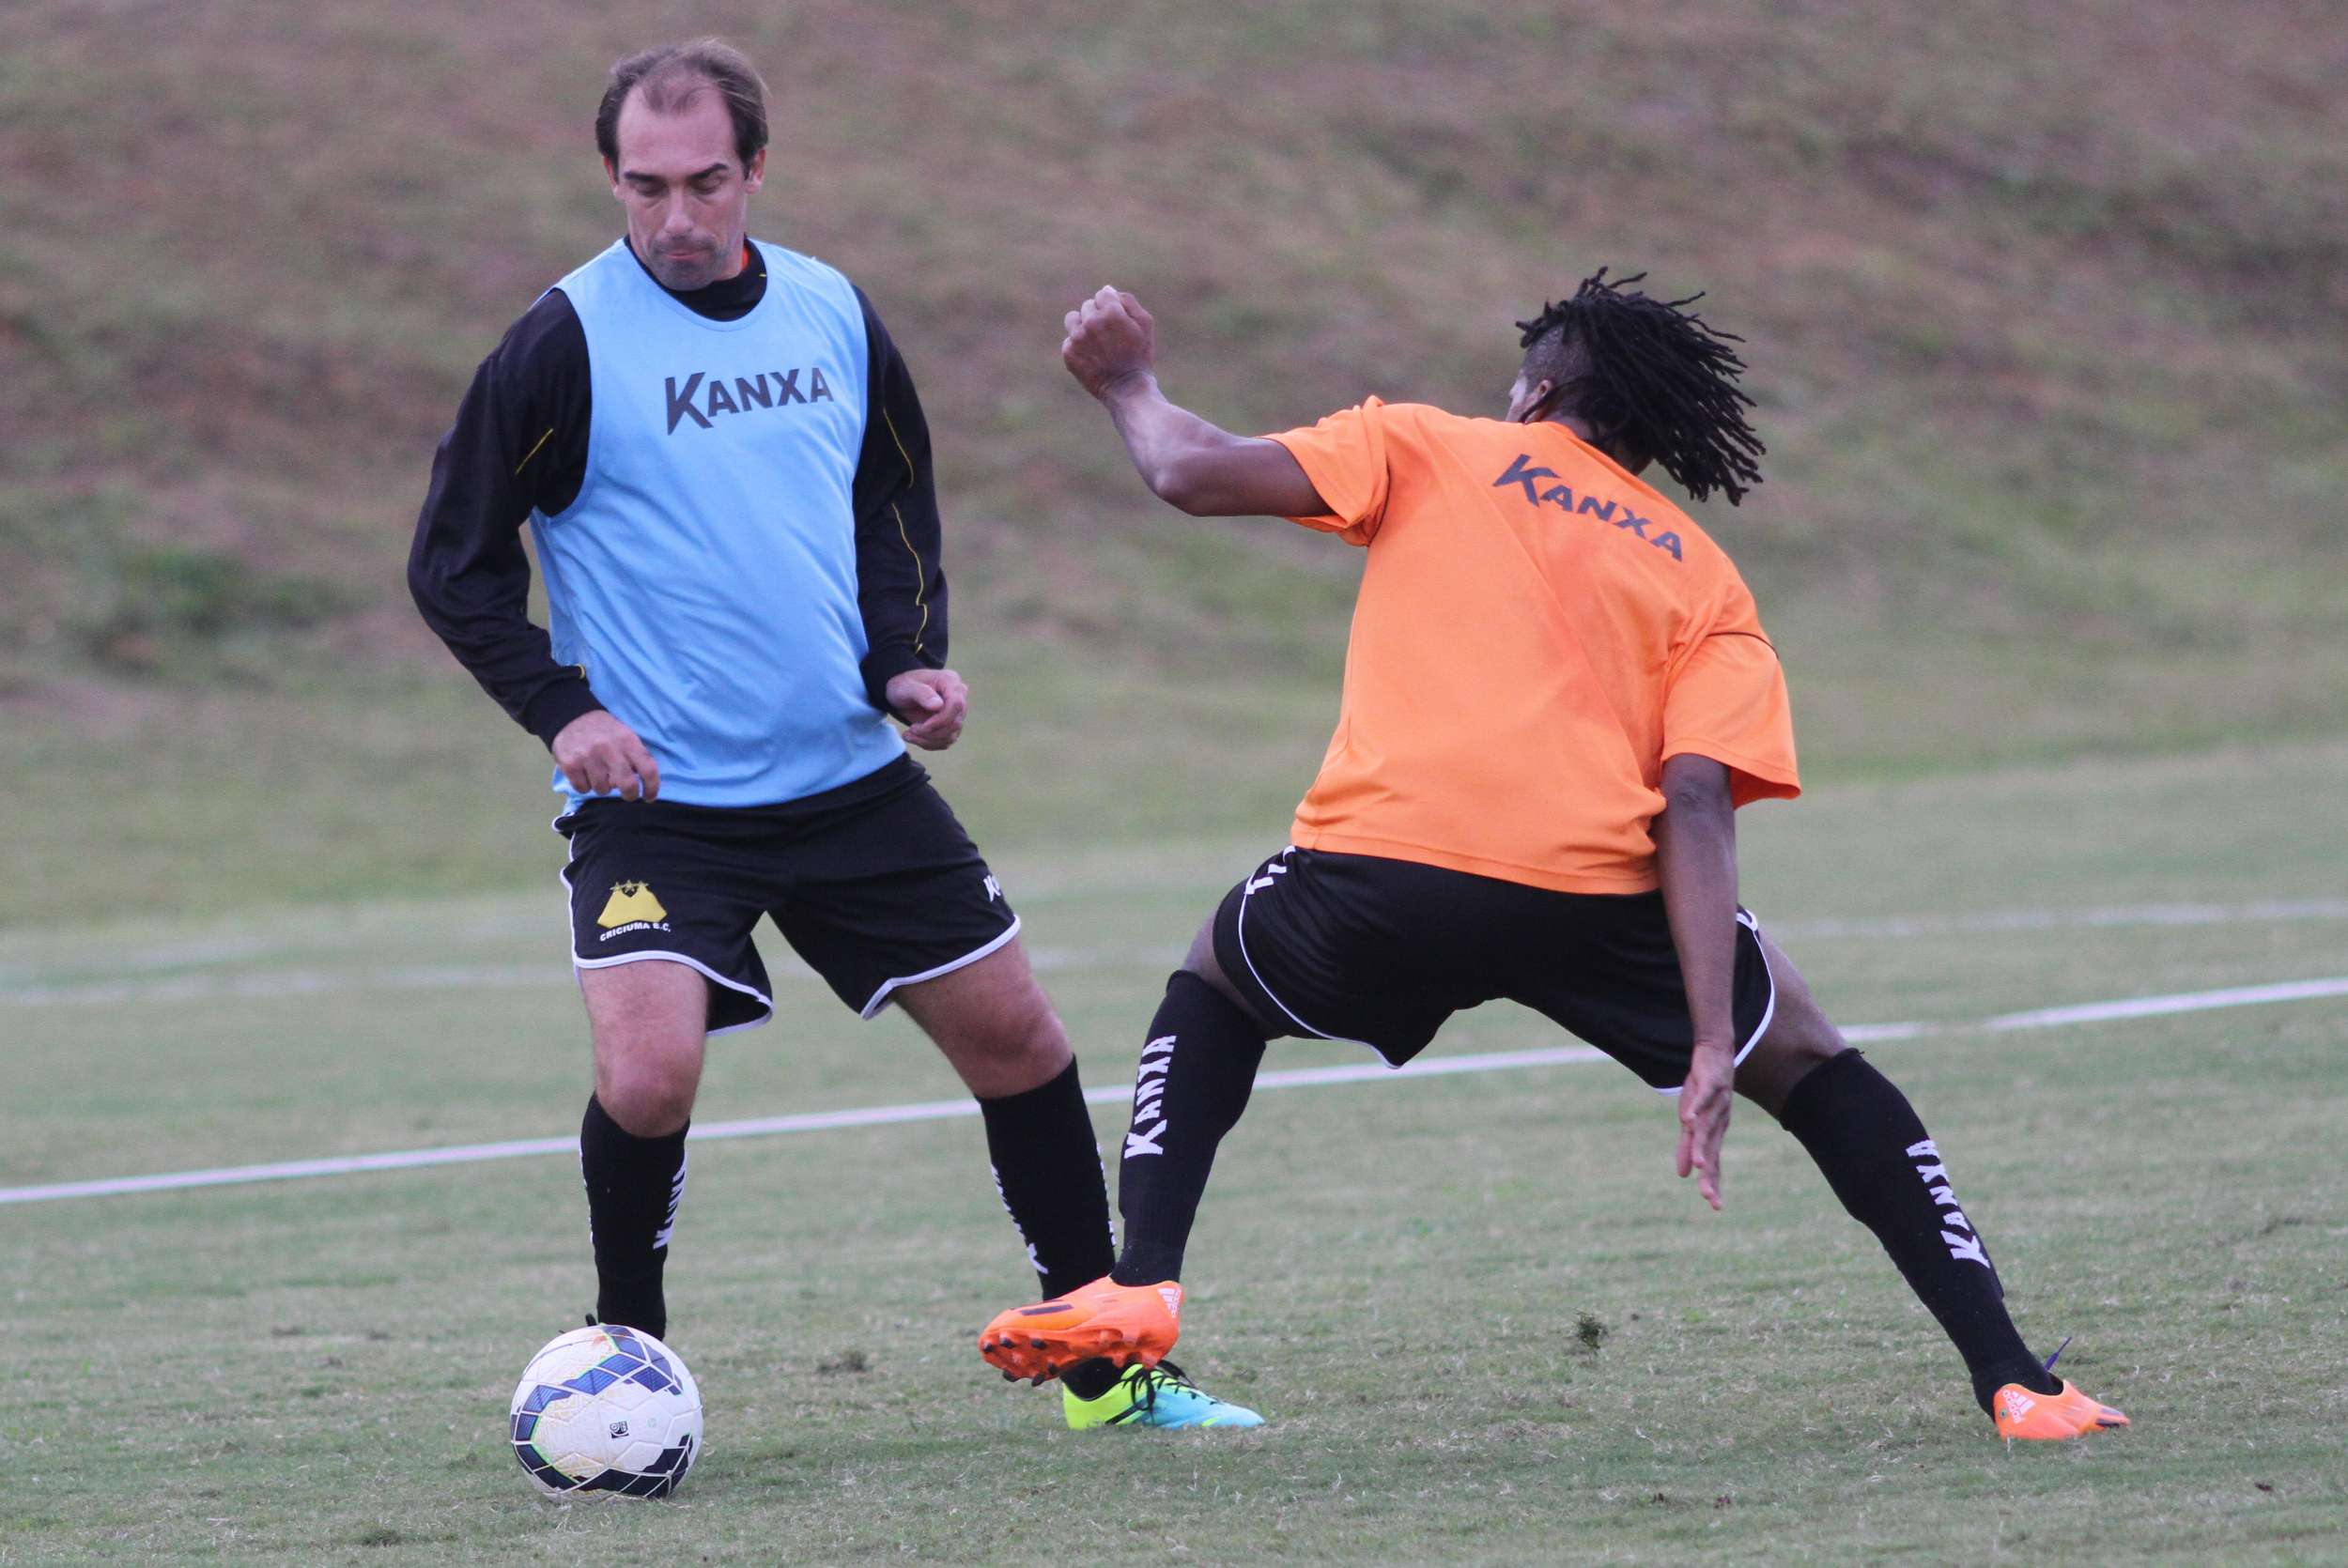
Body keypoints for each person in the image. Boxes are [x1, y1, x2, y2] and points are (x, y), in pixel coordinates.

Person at [978, 275, 2128, 1442]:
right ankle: (2015, 1380)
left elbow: (1186, 469)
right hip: (1593, 895)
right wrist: (1714, 1041)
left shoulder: (1427, 445)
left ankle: (1144, 1278)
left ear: (1537, 392)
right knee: (1822, 1072)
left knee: (1217, 985)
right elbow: (1694, 801)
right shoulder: (1702, 573)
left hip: (1384, 869)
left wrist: (1126, 381)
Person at [409, 39, 1253, 1430]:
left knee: (1022, 1041)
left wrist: (906, 661)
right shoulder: (562, 343)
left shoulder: (830, 312)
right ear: (610, 177)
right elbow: (454, 564)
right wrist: (567, 710)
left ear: (756, 167)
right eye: (645, 186)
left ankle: (1107, 1373)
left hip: (851, 783)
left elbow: (890, 504)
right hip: (661, 803)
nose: (677, 216)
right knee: (648, 1073)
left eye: (705, 182)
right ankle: (626, 1370)